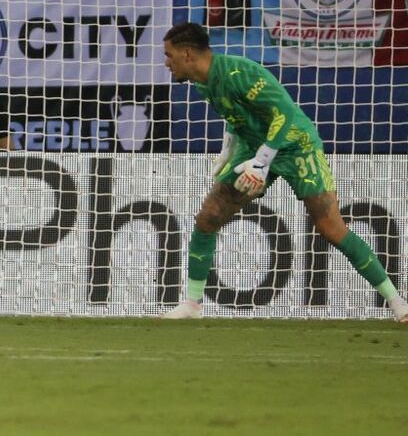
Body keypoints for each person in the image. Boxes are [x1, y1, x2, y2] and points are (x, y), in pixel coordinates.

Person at [160, 22, 408, 322]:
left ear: (187, 54)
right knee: (208, 217)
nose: (166, 62)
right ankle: (192, 304)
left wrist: (262, 162)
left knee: (331, 227)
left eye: (169, 55)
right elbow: (235, 115)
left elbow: (285, 113)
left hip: (295, 146)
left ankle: (397, 302)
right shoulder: (203, 82)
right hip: (254, 148)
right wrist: (228, 149)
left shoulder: (240, 73)